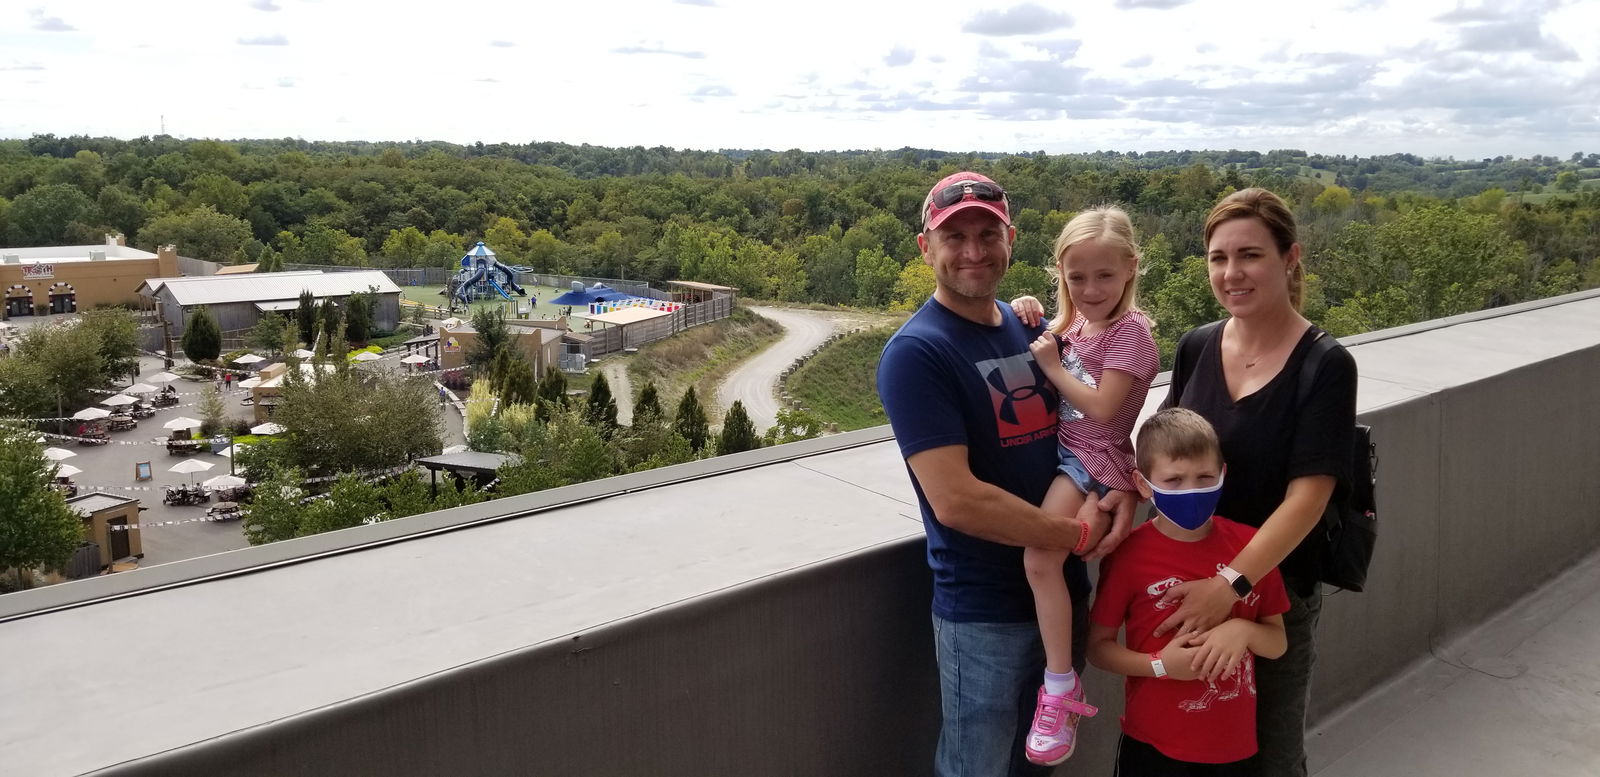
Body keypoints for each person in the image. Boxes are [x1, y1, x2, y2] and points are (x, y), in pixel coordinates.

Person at [877, 171, 1135, 777]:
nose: (973, 251)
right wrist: (1074, 539)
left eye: (987, 234)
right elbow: (958, 501)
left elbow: (1089, 426)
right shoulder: (917, 353)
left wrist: (1118, 482)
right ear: (926, 247)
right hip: (983, 612)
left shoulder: (1032, 326)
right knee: (977, 767)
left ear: (1010, 239)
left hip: (1061, 597)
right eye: (954, 236)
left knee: (1038, 766)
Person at [1157, 188, 1358, 776]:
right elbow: (1166, 452)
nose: (1231, 272)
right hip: (1185, 587)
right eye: (1218, 258)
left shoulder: (1324, 363)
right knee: (1179, 746)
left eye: (1250, 255)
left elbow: (1309, 497)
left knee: (1270, 756)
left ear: (1290, 257)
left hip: (1272, 597)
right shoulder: (1196, 345)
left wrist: (1231, 584)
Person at [1007, 206, 1161, 766]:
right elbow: (1052, 334)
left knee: (1041, 559)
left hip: (1093, 461)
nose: (1091, 288)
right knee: (1046, 562)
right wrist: (1026, 308)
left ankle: (1060, 685)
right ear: (1061, 275)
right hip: (1065, 453)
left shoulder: (1131, 332)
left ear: (1130, 270)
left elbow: (1100, 405)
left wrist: (1049, 364)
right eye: (1077, 277)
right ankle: (1060, 678)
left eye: (1104, 275)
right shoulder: (1075, 324)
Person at [1088, 407, 1289, 775]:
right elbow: (1097, 647)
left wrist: (1242, 630)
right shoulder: (1127, 555)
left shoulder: (1253, 550)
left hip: (1235, 747)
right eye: (1175, 480)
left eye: (1204, 477)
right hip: (1151, 745)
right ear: (1144, 484)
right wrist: (1161, 665)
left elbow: (1278, 642)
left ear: (1223, 474)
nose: (1192, 490)